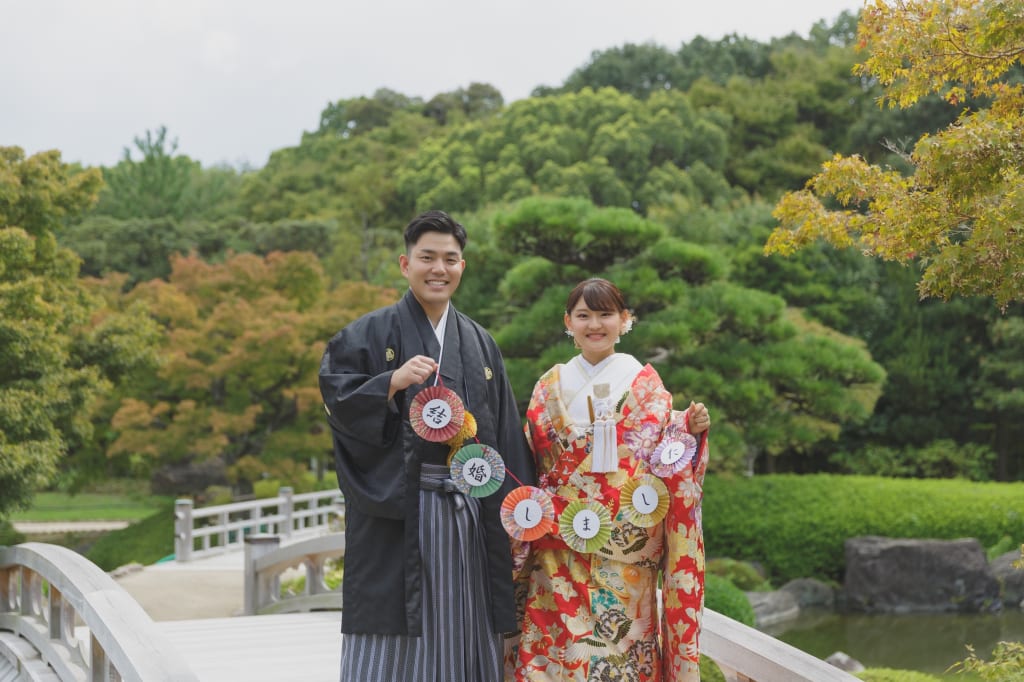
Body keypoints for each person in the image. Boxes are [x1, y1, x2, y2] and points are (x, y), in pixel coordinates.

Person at [318, 210, 535, 682]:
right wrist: (390, 383)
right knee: (396, 630)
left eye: (450, 259)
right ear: (404, 263)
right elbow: (338, 398)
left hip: (468, 513)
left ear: (462, 267)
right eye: (427, 257)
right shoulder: (367, 335)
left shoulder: (480, 344)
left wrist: (524, 506)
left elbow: (504, 435)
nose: (439, 269)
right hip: (401, 509)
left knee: (465, 622)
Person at [515, 277, 709, 681]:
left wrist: (687, 430)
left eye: (605, 314)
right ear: (568, 322)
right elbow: (528, 458)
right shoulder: (548, 386)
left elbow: (662, 456)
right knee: (552, 656)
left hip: (622, 552)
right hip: (555, 551)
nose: (595, 324)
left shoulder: (646, 387)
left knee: (620, 655)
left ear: (625, 320)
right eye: (584, 315)